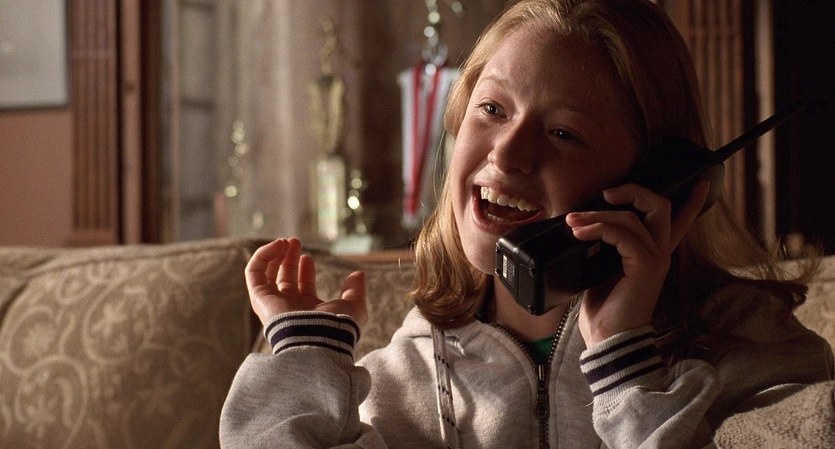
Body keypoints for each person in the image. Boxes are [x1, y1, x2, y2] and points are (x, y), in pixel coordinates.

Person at [220, 0, 834, 447]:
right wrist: (303, 365)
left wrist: (626, 367)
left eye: (563, 133)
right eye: (491, 109)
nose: (508, 153)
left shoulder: (754, 352)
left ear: (658, 181)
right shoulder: (398, 382)